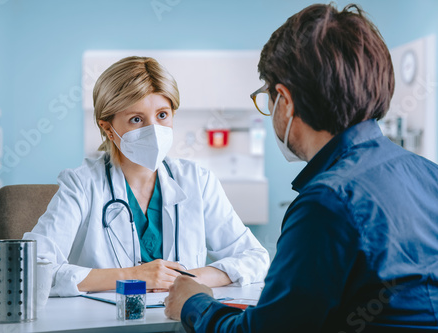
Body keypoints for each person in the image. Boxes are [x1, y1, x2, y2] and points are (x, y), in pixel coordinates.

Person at [164, 4, 438, 332]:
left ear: (285, 99)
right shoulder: (427, 173)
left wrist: (193, 302)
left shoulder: (327, 201)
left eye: (266, 98)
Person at [23, 56, 270, 296]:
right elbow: (33, 270)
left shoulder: (197, 180)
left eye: (162, 115)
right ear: (107, 128)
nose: (153, 130)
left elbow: (255, 258)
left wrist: (187, 279)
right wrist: (133, 275)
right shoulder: (81, 185)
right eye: (136, 119)